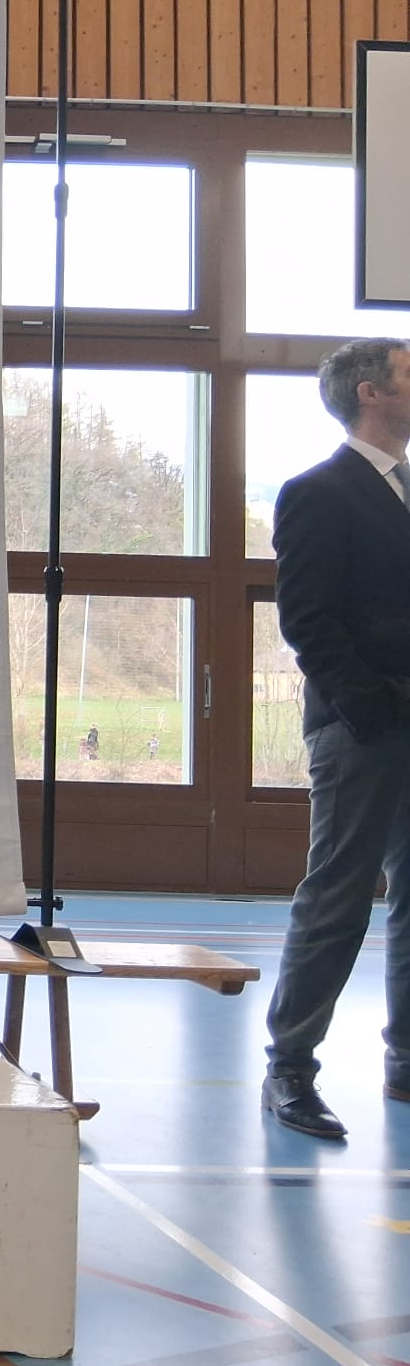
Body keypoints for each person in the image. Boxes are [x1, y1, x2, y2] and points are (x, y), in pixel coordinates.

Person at [261, 336, 410, 1139]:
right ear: (370, 392)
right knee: (339, 896)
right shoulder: (319, 491)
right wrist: (372, 710)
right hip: (362, 727)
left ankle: (406, 1058)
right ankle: (290, 1067)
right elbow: (308, 622)